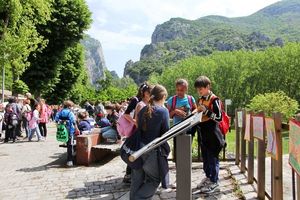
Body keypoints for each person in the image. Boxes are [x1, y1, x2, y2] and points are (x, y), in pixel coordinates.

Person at [130, 85, 170, 199]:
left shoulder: (143, 109)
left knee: (137, 179)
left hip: (137, 149)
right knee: (154, 179)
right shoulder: (163, 111)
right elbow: (165, 133)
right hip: (150, 150)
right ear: (162, 97)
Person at [194, 76, 225, 194]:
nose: (199, 91)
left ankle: (214, 181)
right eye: (198, 89)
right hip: (203, 133)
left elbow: (219, 117)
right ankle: (208, 177)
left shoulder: (214, 100)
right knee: (206, 158)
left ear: (208, 87)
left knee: (213, 158)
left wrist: (206, 111)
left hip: (213, 133)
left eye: (201, 89)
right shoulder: (200, 99)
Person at [123, 82, 151, 183]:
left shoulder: (148, 102)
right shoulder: (137, 101)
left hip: (142, 130)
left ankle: (135, 174)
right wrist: (135, 123)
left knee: (135, 151)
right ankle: (129, 175)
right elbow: (126, 114)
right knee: (133, 150)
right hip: (137, 130)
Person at [167, 79, 197, 165]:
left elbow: (195, 109)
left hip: (189, 128)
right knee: (178, 150)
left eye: (182, 90)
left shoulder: (190, 99)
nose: (179, 92)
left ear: (186, 89)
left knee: (187, 149)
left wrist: (190, 114)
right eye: (178, 90)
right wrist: (175, 111)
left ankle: (186, 168)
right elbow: (168, 115)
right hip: (177, 129)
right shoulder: (171, 100)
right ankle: (179, 168)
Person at [55, 100, 77, 167]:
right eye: (71, 106)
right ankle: (69, 160)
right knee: (70, 145)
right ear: (69, 106)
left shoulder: (59, 112)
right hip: (70, 130)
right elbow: (74, 122)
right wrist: (77, 129)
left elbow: (56, 121)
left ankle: (70, 155)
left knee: (68, 144)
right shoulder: (70, 113)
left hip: (62, 131)